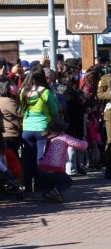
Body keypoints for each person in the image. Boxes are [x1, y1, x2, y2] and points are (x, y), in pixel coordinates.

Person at [18, 65, 59, 193]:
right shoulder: (46, 92)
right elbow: (54, 110)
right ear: (42, 77)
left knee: (27, 159)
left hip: (27, 130)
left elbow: (20, 110)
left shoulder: (22, 92)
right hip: (42, 129)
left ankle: (27, 186)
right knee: (40, 159)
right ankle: (40, 185)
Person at [37, 118, 88, 203]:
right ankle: (55, 192)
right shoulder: (64, 137)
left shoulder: (47, 138)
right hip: (55, 168)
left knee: (51, 181)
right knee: (67, 181)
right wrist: (86, 142)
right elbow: (81, 145)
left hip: (42, 168)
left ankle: (46, 193)